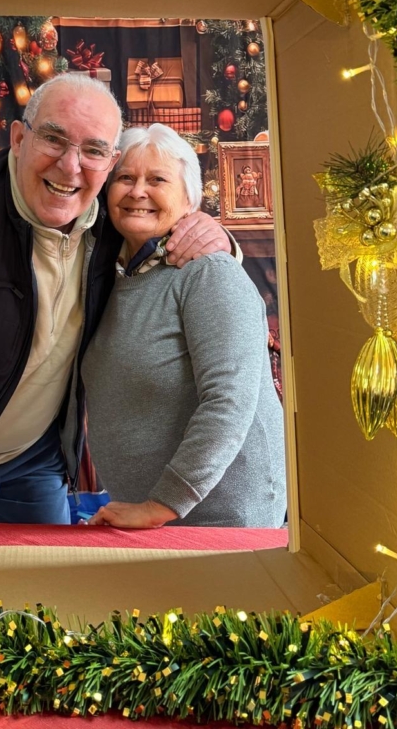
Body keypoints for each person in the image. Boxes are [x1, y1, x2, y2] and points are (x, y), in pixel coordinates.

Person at [0, 75, 236, 525]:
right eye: (53, 139)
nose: (70, 166)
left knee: (48, 572)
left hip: (32, 457)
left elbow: (166, 233)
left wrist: (219, 239)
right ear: (18, 138)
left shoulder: (112, 217)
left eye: (93, 150)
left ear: (110, 162)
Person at [82, 123, 286, 529]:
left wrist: (162, 504)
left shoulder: (209, 274)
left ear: (190, 200)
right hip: (146, 517)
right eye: (125, 178)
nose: (138, 191)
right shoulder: (106, 276)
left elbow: (228, 401)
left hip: (219, 517)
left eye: (157, 180)